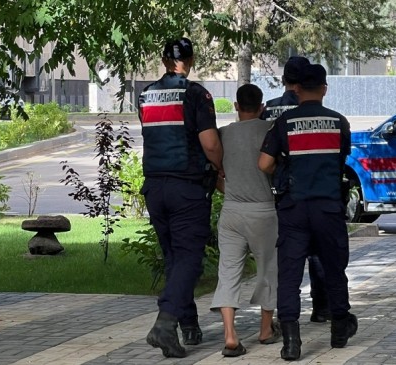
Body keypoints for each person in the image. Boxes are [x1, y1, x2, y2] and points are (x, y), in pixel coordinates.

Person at [258, 63, 357, 361]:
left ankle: (291, 342)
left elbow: (264, 164)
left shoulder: (285, 123)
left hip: (294, 209)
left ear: (297, 88)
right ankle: (339, 328)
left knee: (289, 274)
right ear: (325, 89)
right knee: (333, 268)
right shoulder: (339, 122)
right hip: (328, 207)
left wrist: (283, 174)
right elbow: (340, 162)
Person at [138, 37, 224, 359]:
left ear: (164, 60)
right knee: (189, 257)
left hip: (155, 188)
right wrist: (221, 169)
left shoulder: (145, 95)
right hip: (187, 187)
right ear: (191, 60)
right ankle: (165, 323)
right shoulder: (196, 94)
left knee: (175, 256)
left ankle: (187, 326)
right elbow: (211, 144)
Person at [209, 83, 281, 357]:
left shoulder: (223, 135)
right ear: (262, 106)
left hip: (232, 211)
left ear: (237, 106)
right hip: (265, 211)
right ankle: (265, 330)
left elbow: (217, 178)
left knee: (228, 272)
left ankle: (230, 335)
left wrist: (233, 189)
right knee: (268, 269)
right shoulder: (271, 131)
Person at [261, 56, 331, 324]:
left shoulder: (268, 109)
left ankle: (283, 313)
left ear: (284, 80)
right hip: (312, 189)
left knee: (287, 254)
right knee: (316, 253)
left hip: (277, 191)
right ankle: (321, 306)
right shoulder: (315, 111)